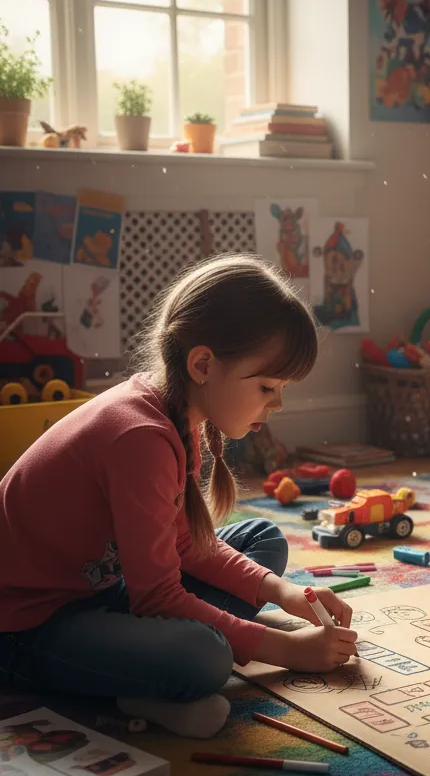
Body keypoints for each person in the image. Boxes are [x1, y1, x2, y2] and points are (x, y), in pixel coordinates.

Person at [0, 254, 358, 737]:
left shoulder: (173, 410)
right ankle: (139, 688)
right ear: (204, 364)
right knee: (204, 657)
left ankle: (145, 678)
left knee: (263, 539)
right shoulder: (139, 437)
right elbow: (157, 596)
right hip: (27, 627)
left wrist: (287, 593)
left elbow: (184, 546)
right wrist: (284, 650)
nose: (277, 403)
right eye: (269, 386)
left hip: (102, 589)